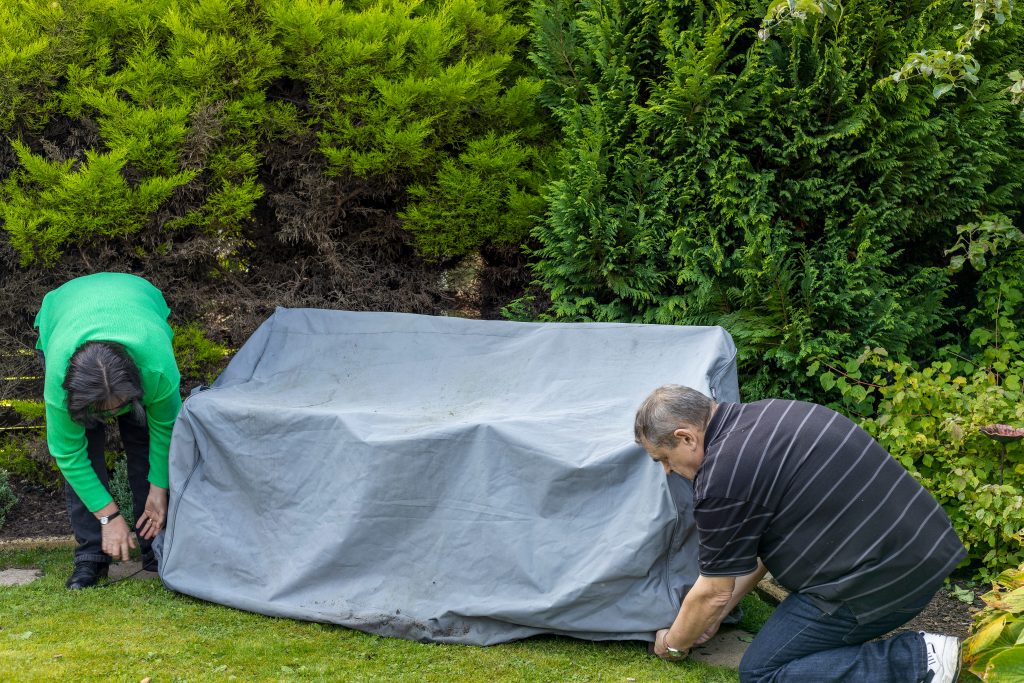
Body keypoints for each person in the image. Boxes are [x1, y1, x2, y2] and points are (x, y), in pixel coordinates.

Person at [634, 384, 967, 683]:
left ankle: (917, 659)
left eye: (664, 458)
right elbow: (752, 558)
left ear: (686, 437)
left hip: (882, 580)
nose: (667, 470)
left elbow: (711, 592)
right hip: (924, 549)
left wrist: (674, 644)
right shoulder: (774, 413)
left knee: (761, 673)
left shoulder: (722, 476)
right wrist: (715, 616)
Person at [35, 273, 182, 589]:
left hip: (137, 302)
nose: (114, 416)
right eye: (104, 411)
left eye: (121, 406)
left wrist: (159, 490)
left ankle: (157, 548)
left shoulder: (155, 368)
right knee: (84, 447)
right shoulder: (61, 385)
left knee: (143, 439)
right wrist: (109, 517)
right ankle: (92, 556)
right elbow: (69, 455)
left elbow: (165, 431)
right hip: (64, 311)